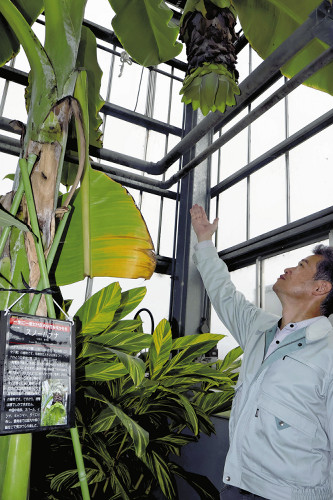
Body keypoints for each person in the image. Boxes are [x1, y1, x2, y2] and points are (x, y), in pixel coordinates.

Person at [190, 204, 333, 500]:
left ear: (320, 289)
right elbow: (223, 292)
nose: (288, 268)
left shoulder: (329, 351)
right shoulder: (259, 327)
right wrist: (204, 241)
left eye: (302, 266)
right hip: (236, 484)